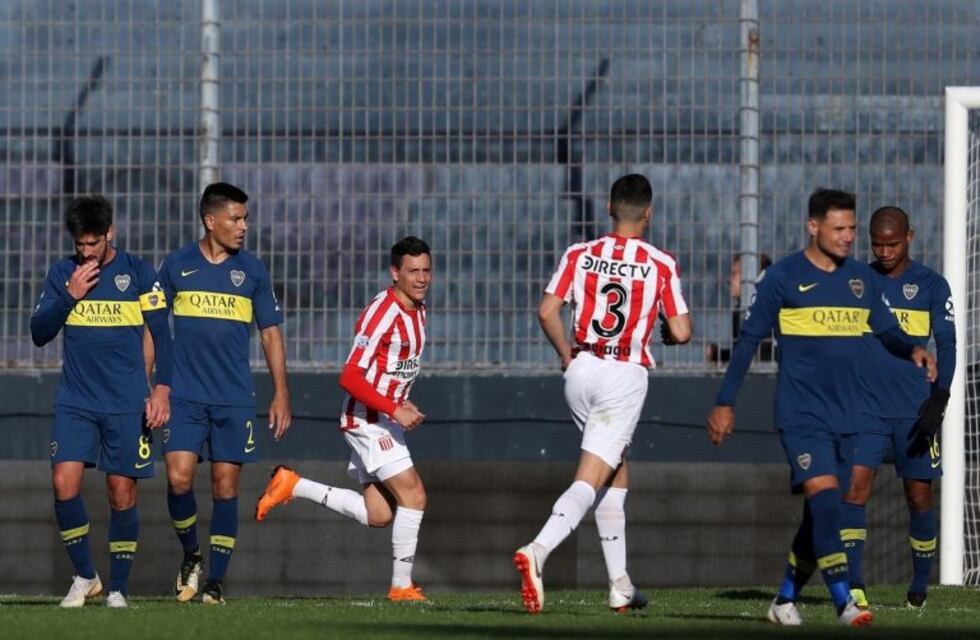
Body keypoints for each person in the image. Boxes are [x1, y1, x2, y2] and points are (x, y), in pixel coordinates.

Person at [707, 189, 937, 627]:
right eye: (839, 229)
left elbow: (887, 330)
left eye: (852, 228)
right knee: (828, 500)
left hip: (850, 414)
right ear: (813, 227)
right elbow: (748, 341)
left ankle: (784, 599)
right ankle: (845, 602)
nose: (849, 237)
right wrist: (724, 402)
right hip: (802, 414)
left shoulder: (861, 280)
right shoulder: (782, 278)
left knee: (820, 513)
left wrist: (913, 350)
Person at [513, 174, 692, 614]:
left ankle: (619, 584)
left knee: (616, 470)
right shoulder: (659, 262)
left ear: (610, 208)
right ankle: (538, 549)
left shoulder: (580, 254)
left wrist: (566, 354)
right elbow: (682, 331)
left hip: (581, 369)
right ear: (648, 213)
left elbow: (547, 311)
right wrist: (668, 333)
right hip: (623, 374)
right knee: (591, 477)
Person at [255, 236, 431, 602]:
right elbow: (350, 376)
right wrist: (393, 408)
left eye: (426, 270)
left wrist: (402, 401)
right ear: (394, 273)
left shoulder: (419, 308)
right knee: (414, 494)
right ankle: (401, 587)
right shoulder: (382, 313)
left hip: (384, 419)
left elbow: (390, 371)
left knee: (380, 515)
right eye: (412, 271)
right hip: (367, 422)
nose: (421, 278)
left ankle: (292, 484)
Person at [30, 195, 173, 608]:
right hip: (75, 400)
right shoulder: (63, 274)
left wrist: (162, 388)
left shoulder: (139, 273)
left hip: (127, 403)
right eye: (80, 244)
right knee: (63, 483)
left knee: (121, 491)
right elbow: (39, 332)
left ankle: (118, 590)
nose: (86, 251)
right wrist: (69, 296)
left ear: (111, 233)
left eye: (93, 243)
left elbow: (162, 334)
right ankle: (85, 576)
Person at [159, 182, 291, 604]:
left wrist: (281, 393)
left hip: (233, 398)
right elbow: (154, 330)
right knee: (179, 480)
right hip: (184, 395)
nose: (244, 226)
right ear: (210, 221)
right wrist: (151, 389)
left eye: (246, 218)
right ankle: (191, 555)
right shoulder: (176, 265)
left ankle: (215, 581)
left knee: (225, 487)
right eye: (236, 218)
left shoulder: (252, 270)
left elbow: (270, 333)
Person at [840, 206, 955, 609]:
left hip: (914, 411)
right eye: (877, 244)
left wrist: (939, 399)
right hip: (865, 409)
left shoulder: (932, 285)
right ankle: (855, 588)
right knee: (853, 491)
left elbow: (949, 343)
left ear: (910, 236)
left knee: (918, 497)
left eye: (892, 243)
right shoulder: (858, 281)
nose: (885, 251)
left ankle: (919, 587)